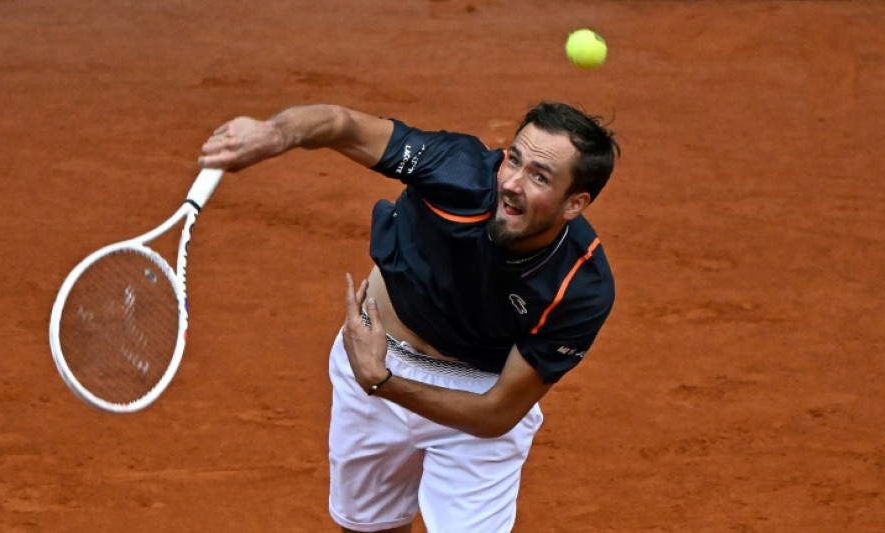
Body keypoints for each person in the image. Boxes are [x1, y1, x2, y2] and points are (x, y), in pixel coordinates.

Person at [198, 102, 619, 533]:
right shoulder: (456, 170)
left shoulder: (579, 287)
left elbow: (495, 414)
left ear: (575, 203)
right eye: (513, 158)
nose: (511, 183)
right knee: (368, 529)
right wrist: (276, 134)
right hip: (376, 356)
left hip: (473, 397)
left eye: (539, 176)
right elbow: (346, 126)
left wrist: (381, 381)